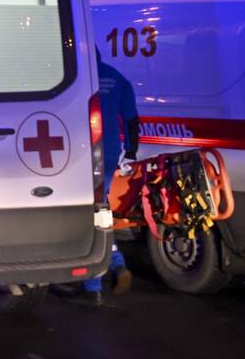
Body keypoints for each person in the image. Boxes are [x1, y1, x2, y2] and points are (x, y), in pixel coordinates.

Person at [78, 46, 140, 304]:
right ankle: (114, 264)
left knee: (89, 213)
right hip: (110, 150)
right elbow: (132, 118)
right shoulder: (116, 77)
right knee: (100, 208)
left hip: (83, 151)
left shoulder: (76, 78)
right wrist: (131, 151)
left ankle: (95, 283)